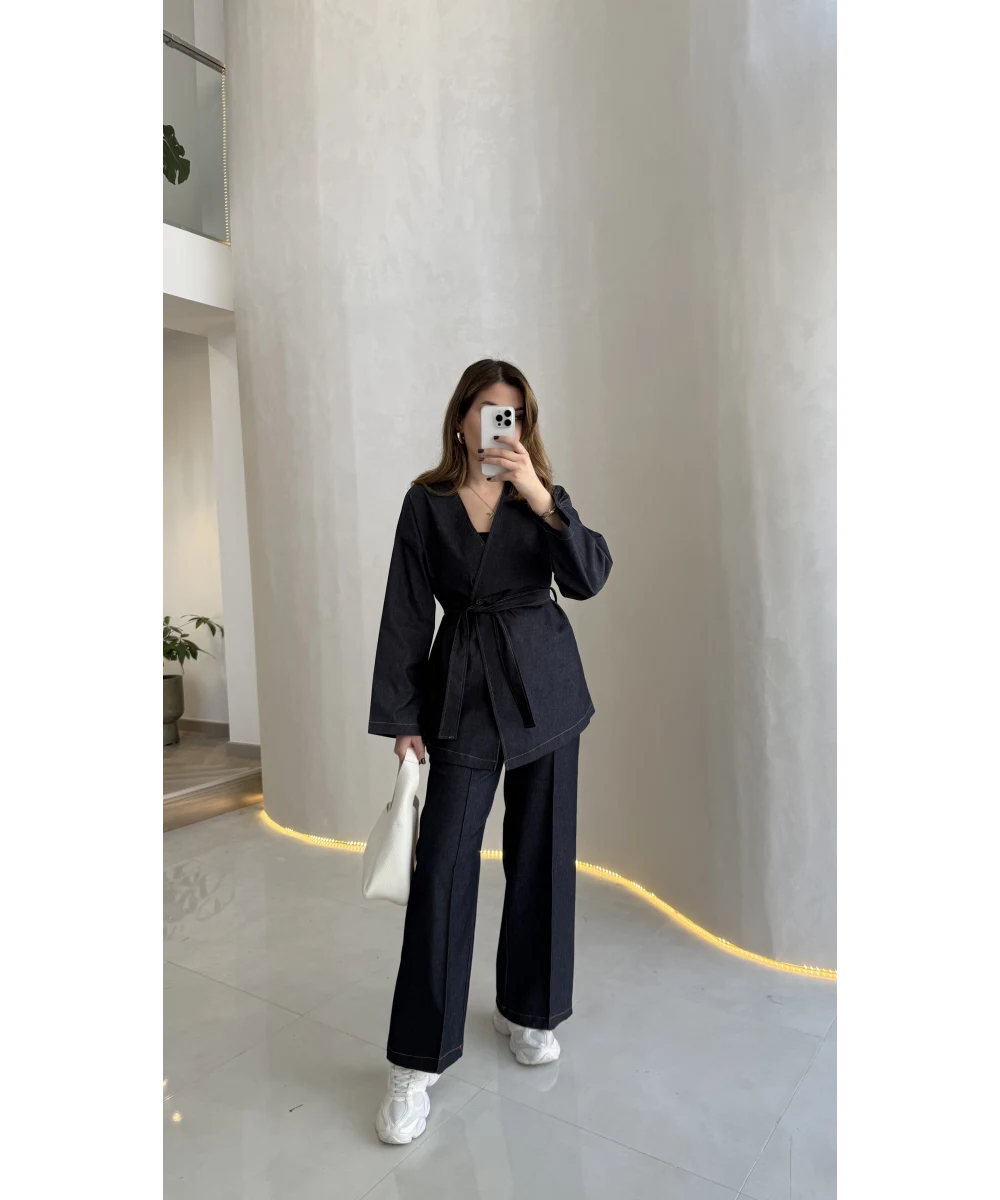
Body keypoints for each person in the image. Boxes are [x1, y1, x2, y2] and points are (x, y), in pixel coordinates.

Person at [367, 358, 613, 1145]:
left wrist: (541, 497)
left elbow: (591, 576)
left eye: (514, 413)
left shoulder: (542, 496)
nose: (499, 424)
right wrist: (402, 715)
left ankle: (530, 1011)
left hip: (547, 687)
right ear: (461, 419)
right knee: (442, 871)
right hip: (463, 693)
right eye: (487, 410)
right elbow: (407, 609)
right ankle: (415, 1061)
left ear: (524, 425)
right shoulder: (427, 500)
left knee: (542, 857)